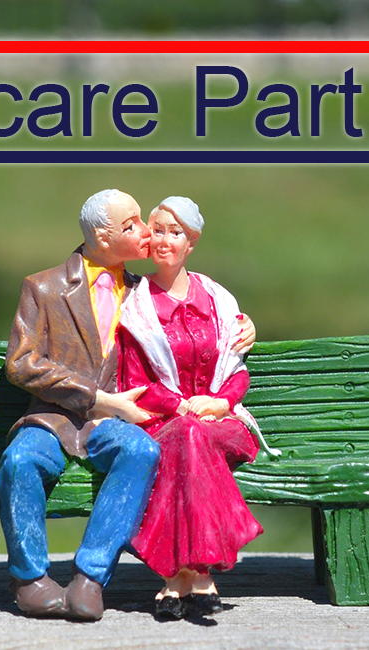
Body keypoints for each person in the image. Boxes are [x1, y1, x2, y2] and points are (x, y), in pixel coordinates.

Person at [0, 189, 160, 622]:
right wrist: (94, 398)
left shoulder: (147, 293)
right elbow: (22, 363)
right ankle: (29, 578)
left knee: (142, 451)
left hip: (111, 423)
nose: (146, 232)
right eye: (132, 226)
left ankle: (91, 576)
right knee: (20, 461)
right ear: (104, 239)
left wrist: (242, 323)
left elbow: (196, 315)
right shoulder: (44, 288)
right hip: (54, 416)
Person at [117, 196, 265, 620]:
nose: (164, 240)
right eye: (157, 230)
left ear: (191, 242)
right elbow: (135, 383)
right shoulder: (137, 307)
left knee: (194, 437)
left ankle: (174, 577)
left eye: (175, 232)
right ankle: (197, 574)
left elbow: (236, 369)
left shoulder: (218, 301)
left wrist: (221, 402)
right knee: (186, 436)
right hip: (164, 423)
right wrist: (180, 405)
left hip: (223, 424)